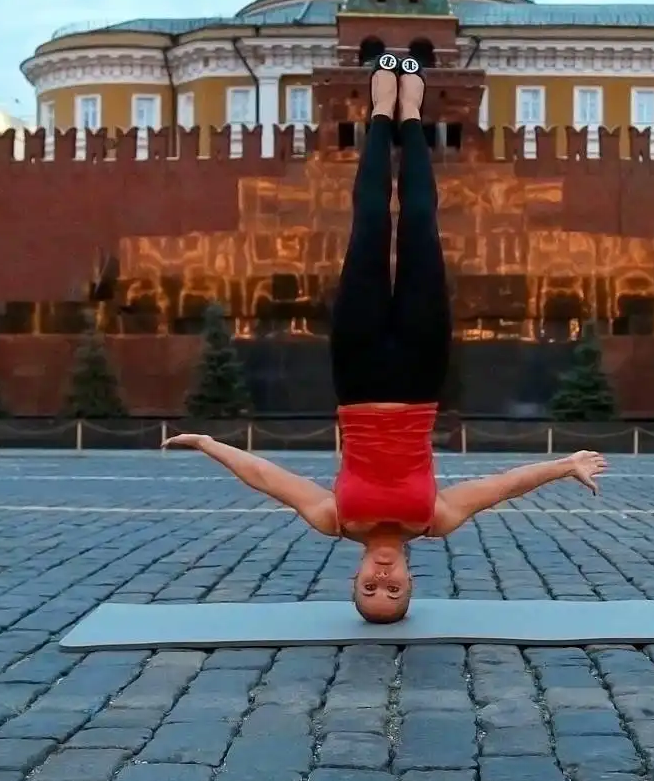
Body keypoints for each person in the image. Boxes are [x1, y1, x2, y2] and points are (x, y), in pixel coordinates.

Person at [163, 53, 607, 623]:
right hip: (421, 375)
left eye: (369, 590)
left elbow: (269, 480)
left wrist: (209, 444)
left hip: (357, 373)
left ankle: (379, 113)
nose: (382, 580)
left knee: (370, 227)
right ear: (410, 581)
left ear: (353, 579)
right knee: (420, 226)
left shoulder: (335, 519)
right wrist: (564, 465)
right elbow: (501, 486)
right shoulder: (434, 520)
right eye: (393, 592)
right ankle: (412, 115)